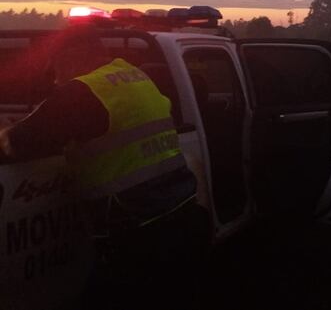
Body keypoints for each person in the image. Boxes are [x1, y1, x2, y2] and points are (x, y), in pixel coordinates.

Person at [0, 25, 210, 309]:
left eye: (54, 67)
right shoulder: (135, 76)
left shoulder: (83, 91)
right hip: (182, 217)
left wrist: (6, 131)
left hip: (138, 237)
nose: (54, 77)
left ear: (70, 58)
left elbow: (16, 143)